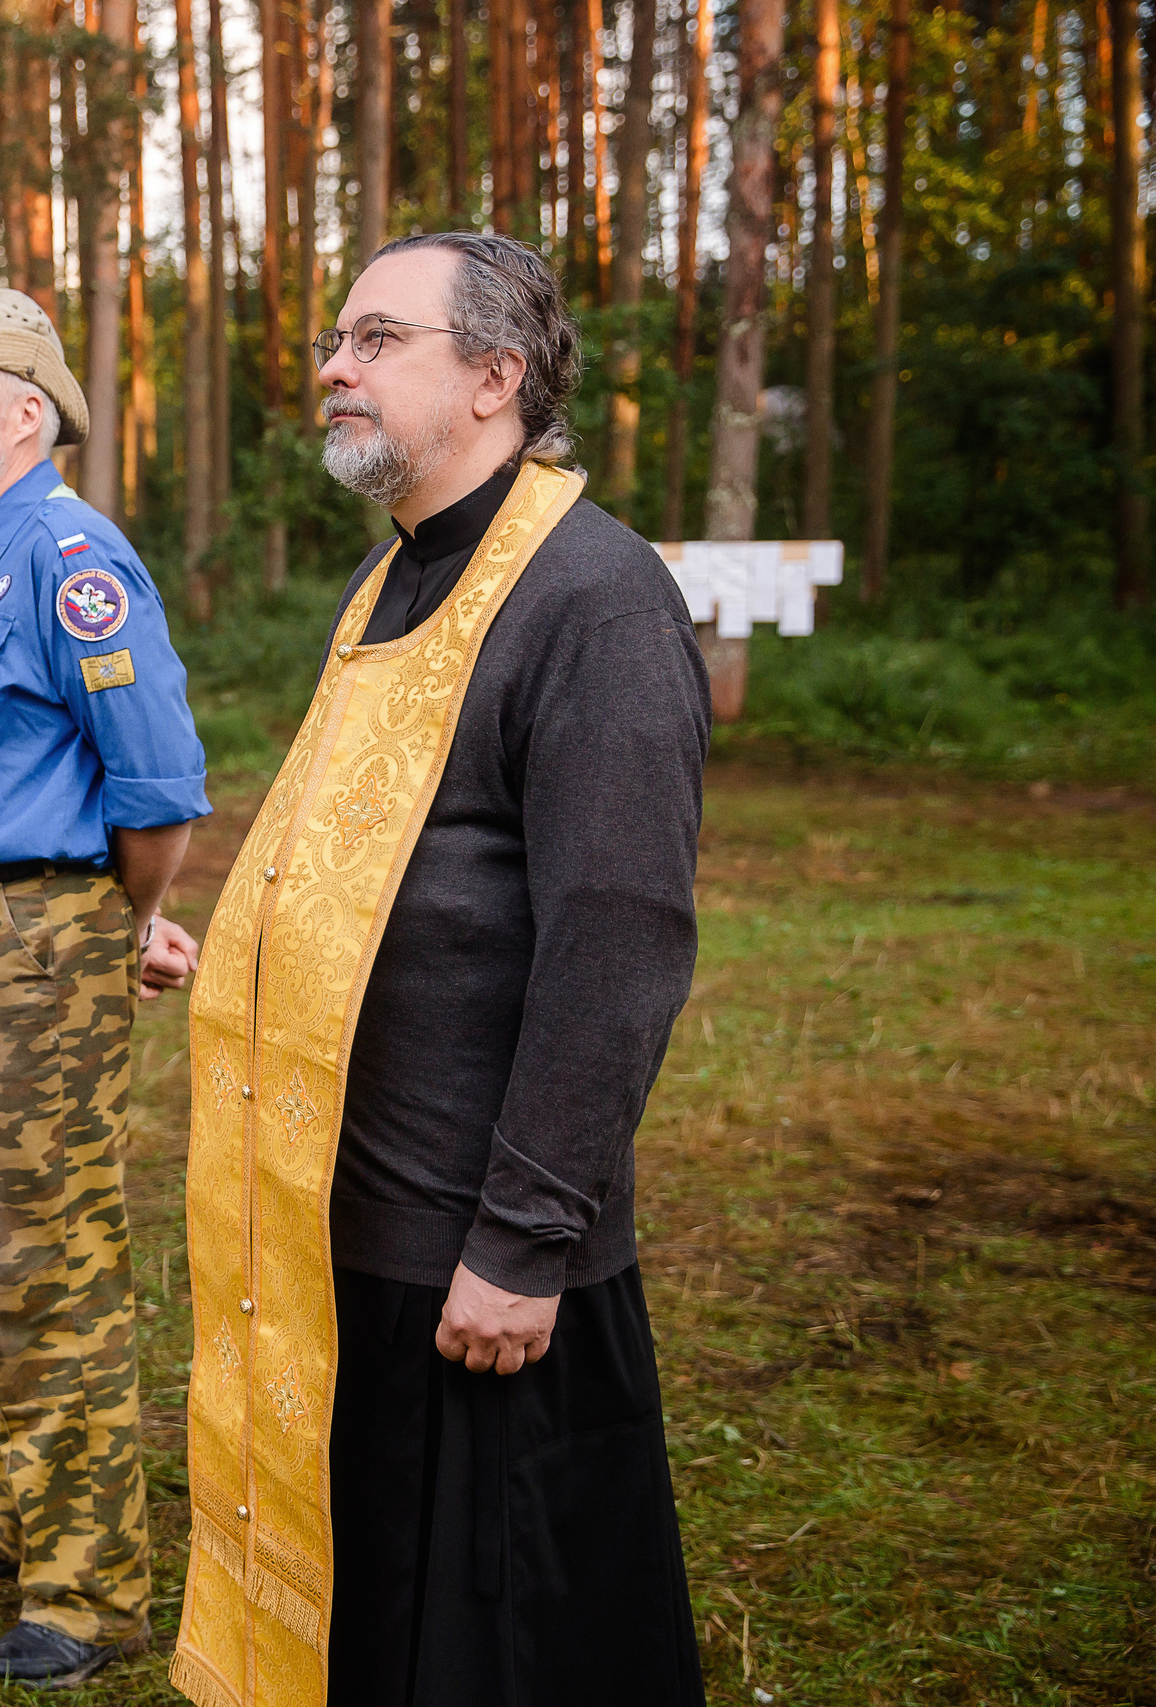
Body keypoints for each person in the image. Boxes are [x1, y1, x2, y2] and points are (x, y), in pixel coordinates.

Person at [170, 232, 708, 1707]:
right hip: (339, 1220)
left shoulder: (593, 598)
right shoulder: (393, 573)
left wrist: (524, 1236)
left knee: (495, 1636)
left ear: (493, 376)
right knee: (381, 1618)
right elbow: (376, 856)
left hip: (476, 1253)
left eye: (374, 339)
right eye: (337, 342)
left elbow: (621, 937)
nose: (332, 369)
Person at [0, 288, 209, 1689]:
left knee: (48, 1262)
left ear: (30, 413)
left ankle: (92, 1588)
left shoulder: (70, 555)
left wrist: (112, 922)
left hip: (33, 935)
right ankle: (24, 1511)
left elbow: (157, 784)